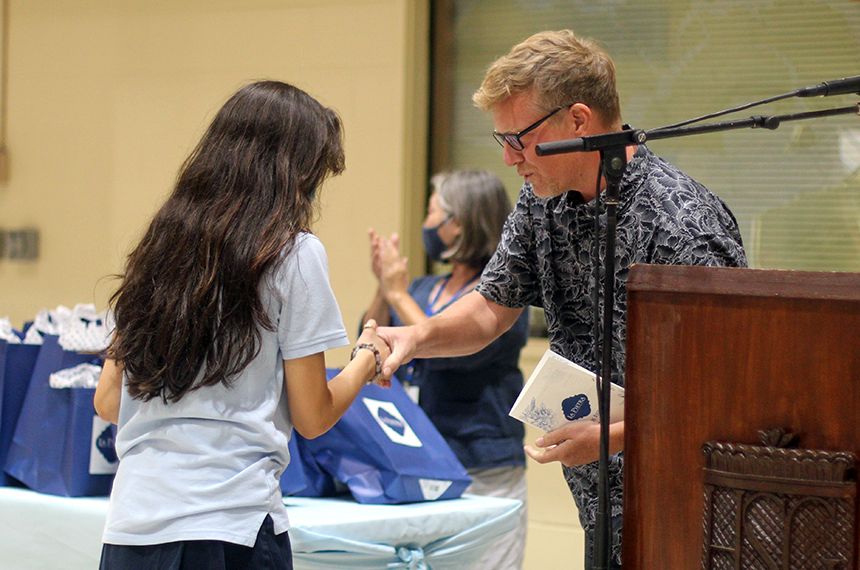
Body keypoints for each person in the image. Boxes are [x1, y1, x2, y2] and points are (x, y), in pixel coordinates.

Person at [377, 30, 748, 569]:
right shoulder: (541, 198)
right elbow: (490, 305)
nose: (509, 160)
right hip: (599, 500)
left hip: (685, 503)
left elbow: (722, 394)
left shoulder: (681, 224)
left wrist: (613, 438)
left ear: (578, 121)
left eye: (518, 139)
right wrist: (415, 336)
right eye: (500, 140)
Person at [93, 80, 390, 570]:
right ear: (293, 172)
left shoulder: (158, 248)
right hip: (231, 527)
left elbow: (108, 401)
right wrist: (367, 357)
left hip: (130, 528)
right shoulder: (293, 253)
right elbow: (313, 415)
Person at [363, 169, 530, 570]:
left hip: (484, 467)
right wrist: (384, 288)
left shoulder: (501, 298)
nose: (426, 225)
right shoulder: (424, 288)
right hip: (421, 464)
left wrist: (399, 293)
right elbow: (369, 342)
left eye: (432, 212)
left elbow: (458, 351)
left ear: (458, 224)